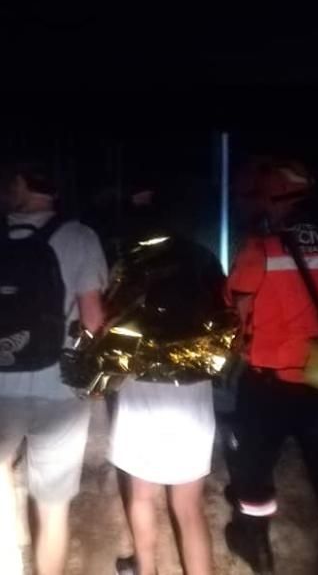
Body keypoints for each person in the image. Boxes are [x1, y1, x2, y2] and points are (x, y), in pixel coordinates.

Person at [0, 160, 107, 575]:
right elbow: (93, 320)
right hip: (60, 389)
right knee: (53, 508)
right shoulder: (81, 237)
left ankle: (8, 565)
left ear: (18, 184)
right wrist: (95, 379)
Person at [224, 158, 318, 575]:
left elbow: (234, 310)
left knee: (251, 464)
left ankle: (257, 549)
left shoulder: (261, 251)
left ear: (274, 201)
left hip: (268, 383)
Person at [109, 238, 220, 575]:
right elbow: (228, 314)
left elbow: (111, 318)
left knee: (142, 495)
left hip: (142, 389)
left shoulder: (131, 258)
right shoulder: (203, 256)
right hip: (194, 390)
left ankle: (145, 569)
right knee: (189, 507)